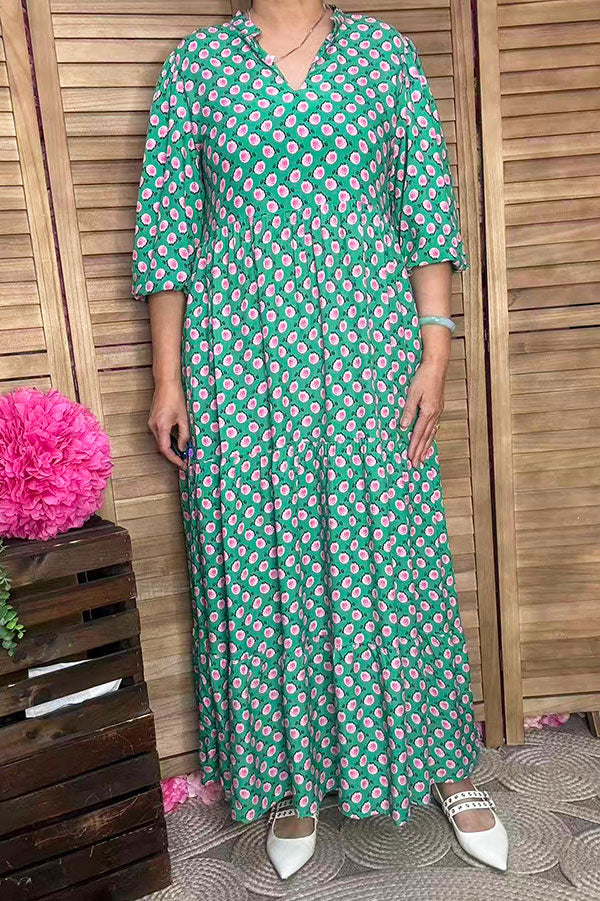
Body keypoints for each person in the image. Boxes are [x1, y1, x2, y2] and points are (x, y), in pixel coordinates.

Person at [130, 0, 508, 880]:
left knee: (393, 550)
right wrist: (167, 378)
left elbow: (426, 210)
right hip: (239, 353)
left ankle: (445, 764)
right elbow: (168, 232)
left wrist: (437, 348)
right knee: (262, 554)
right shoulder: (196, 66)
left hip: (369, 343)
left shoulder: (383, 54)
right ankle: (290, 777)